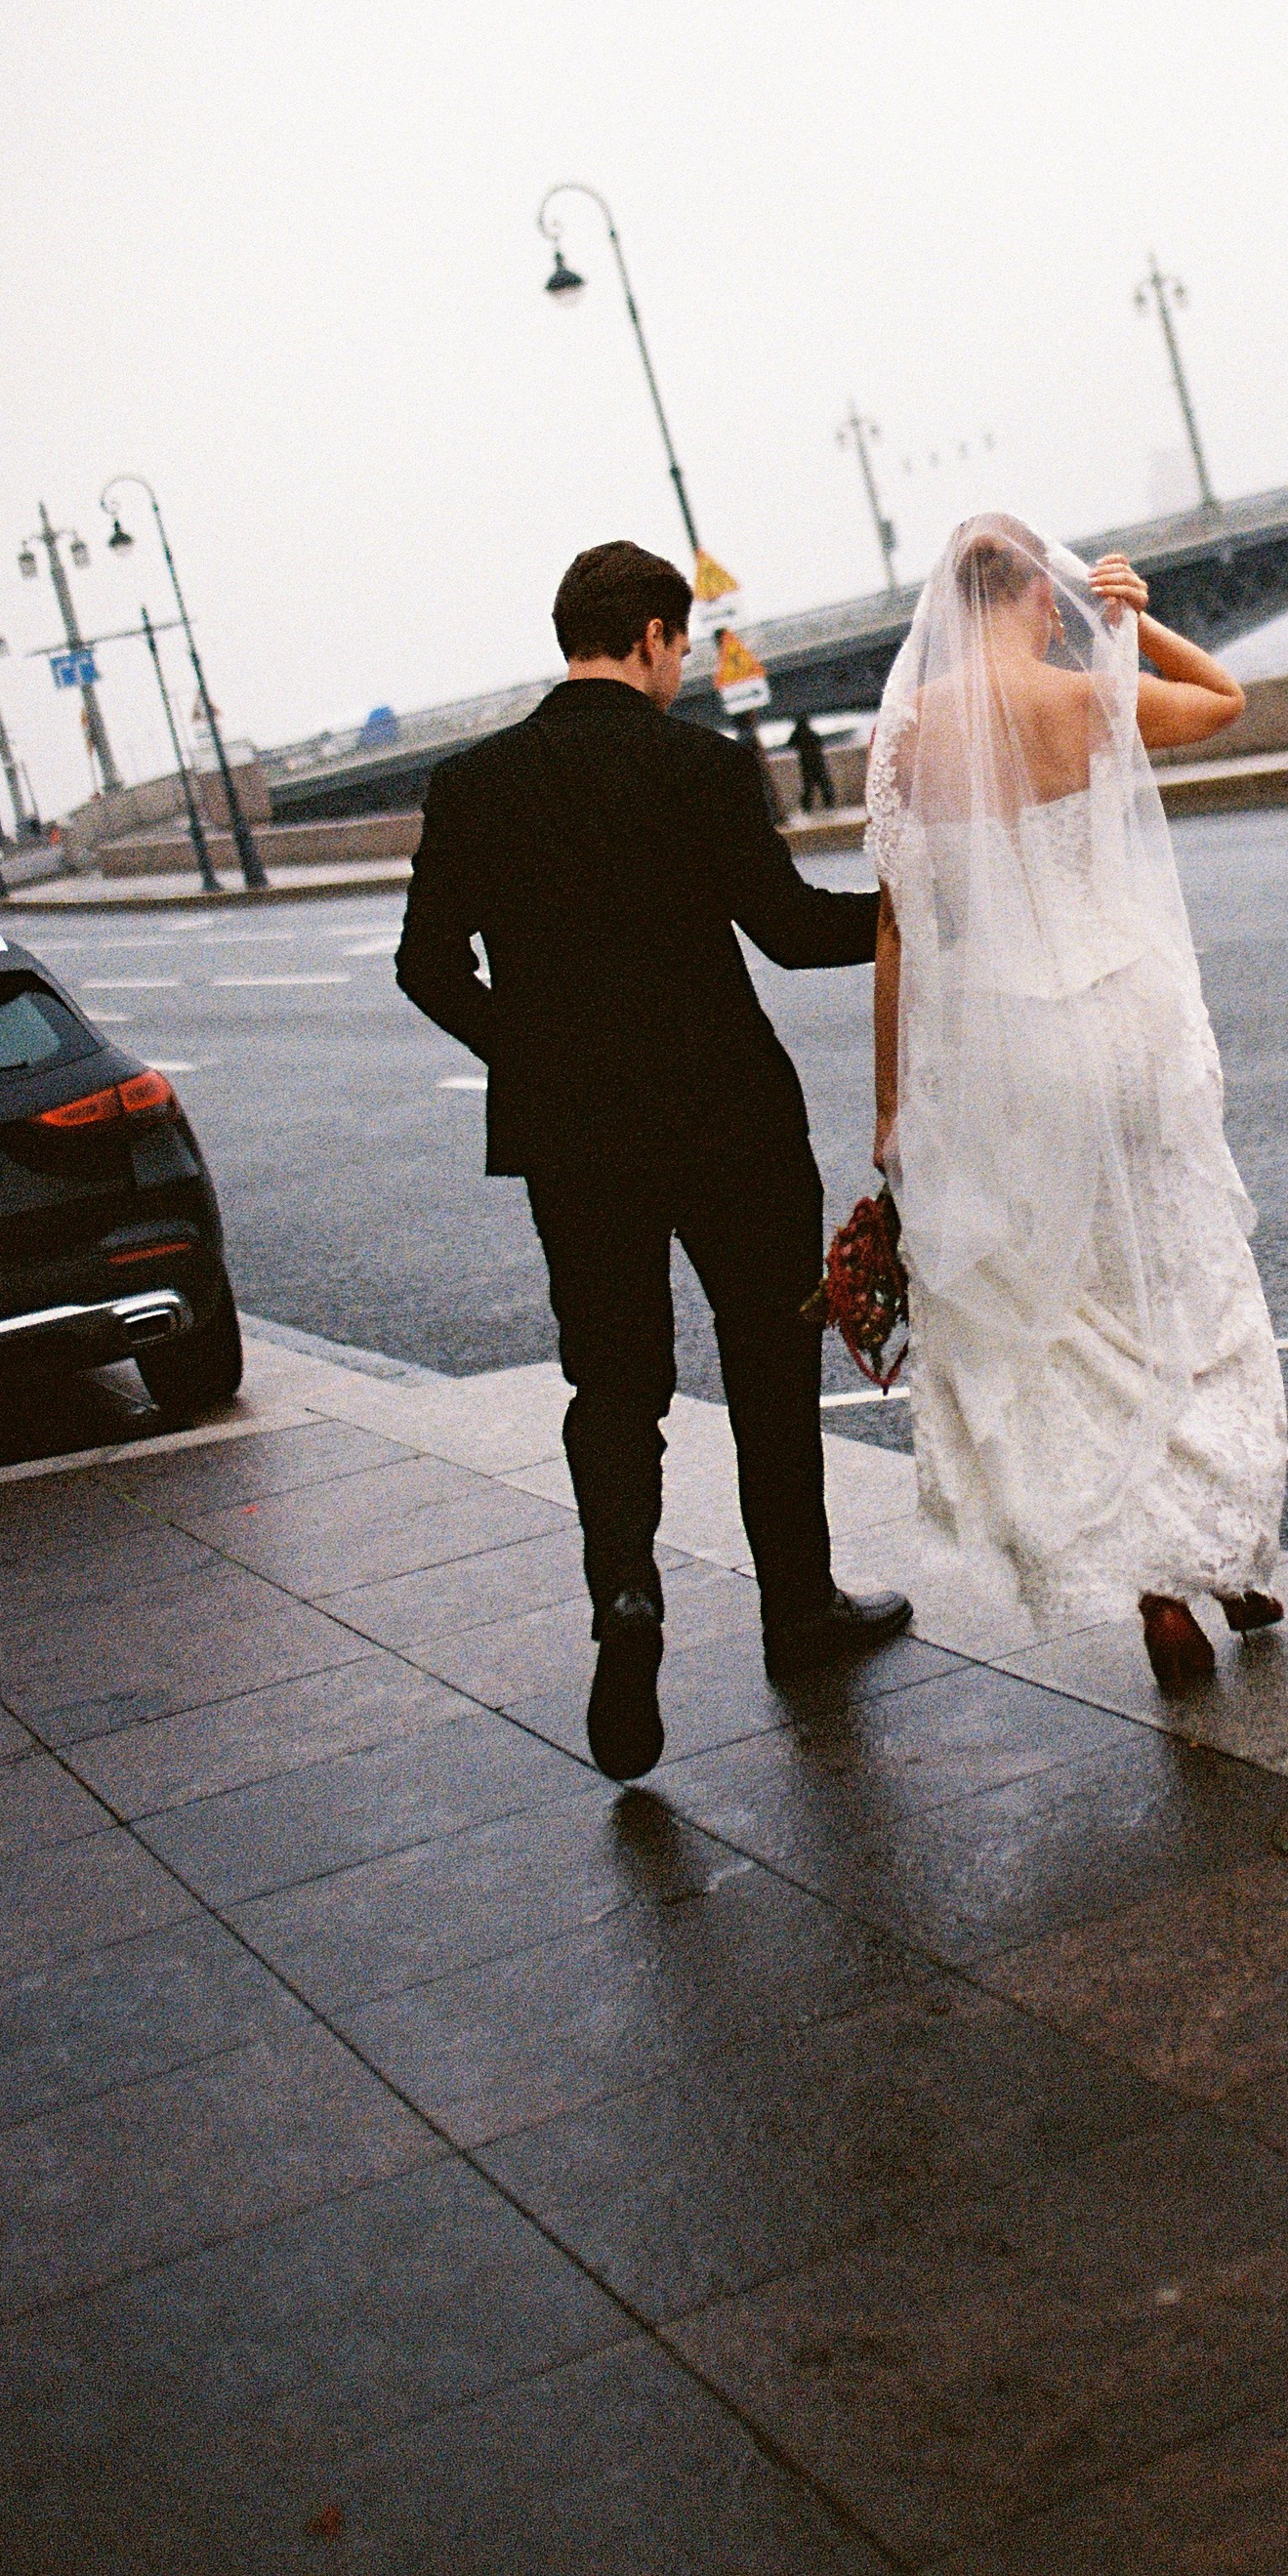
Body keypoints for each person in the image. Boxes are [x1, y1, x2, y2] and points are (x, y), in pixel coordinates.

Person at [395, 539, 910, 1780]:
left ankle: (626, 1598)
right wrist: (908, 918)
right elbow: (787, 935)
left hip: (574, 1137)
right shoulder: (699, 765)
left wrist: (529, 1051)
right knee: (769, 1358)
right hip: (727, 1116)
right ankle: (799, 1612)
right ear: (656, 638)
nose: (681, 666)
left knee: (614, 1380)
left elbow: (424, 963)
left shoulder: (474, 783)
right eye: (680, 648)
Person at [868, 517, 1286, 1690]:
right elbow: (1224, 700)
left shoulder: (907, 734)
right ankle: (1236, 1554)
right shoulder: (1086, 695)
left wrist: (892, 1102)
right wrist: (1136, 622)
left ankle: (1159, 1593)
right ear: (1041, 602)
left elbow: (900, 928)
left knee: (1076, 1305)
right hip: (1124, 1018)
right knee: (1182, 1274)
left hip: (1012, 1042)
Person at [788, 711, 836, 814]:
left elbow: (790, 744)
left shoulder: (797, 734)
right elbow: (820, 743)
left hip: (806, 765)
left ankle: (806, 809)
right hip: (818, 763)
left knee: (809, 788)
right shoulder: (812, 733)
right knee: (824, 785)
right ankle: (829, 806)